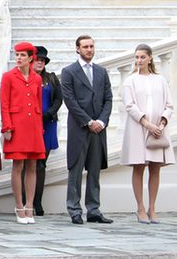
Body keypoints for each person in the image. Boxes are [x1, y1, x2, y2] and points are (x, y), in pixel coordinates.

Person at [61, 35, 114, 225]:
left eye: (92, 46)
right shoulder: (69, 72)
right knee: (75, 170)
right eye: (85, 47)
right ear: (77, 49)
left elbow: (108, 98)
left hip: (98, 130)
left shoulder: (101, 71)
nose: (89, 49)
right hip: (79, 128)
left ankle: (94, 209)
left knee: (94, 170)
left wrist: (101, 121)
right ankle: (74, 209)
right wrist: (88, 121)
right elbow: (70, 101)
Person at [121, 44, 174, 224]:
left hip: (158, 130)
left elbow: (169, 105)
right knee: (139, 166)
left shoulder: (160, 80)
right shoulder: (130, 80)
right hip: (138, 128)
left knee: (155, 167)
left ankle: (152, 208)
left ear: (150, 58)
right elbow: (129, 105)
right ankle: (140, 207)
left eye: (142, 57)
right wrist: (147, 123)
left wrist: (161, 123)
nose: (139, 61)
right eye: (136, 57)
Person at [0, 42, 45, 225]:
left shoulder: (37, 79)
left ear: (30, 58)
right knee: (17, 166)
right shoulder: (8, 77)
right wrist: (7, 127)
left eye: (22, 55)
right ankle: (18, 206)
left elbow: (39, 105)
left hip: (33, 126)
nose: (18, 58)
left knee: (32, 166)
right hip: (16, 126)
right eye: (17, 55)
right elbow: (4, 104)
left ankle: (29, 206)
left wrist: (40, 128)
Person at [27, 46, 62, 217]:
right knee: (28, 163)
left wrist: (48, 114)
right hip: (28, 123)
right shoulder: (25, 77)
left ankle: (37, 203)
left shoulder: (51, 78)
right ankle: (26, 201)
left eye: (43, 60)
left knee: (41, 163)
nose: (40, 62)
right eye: (37, 59)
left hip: (48, 123)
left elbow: (58, 99)